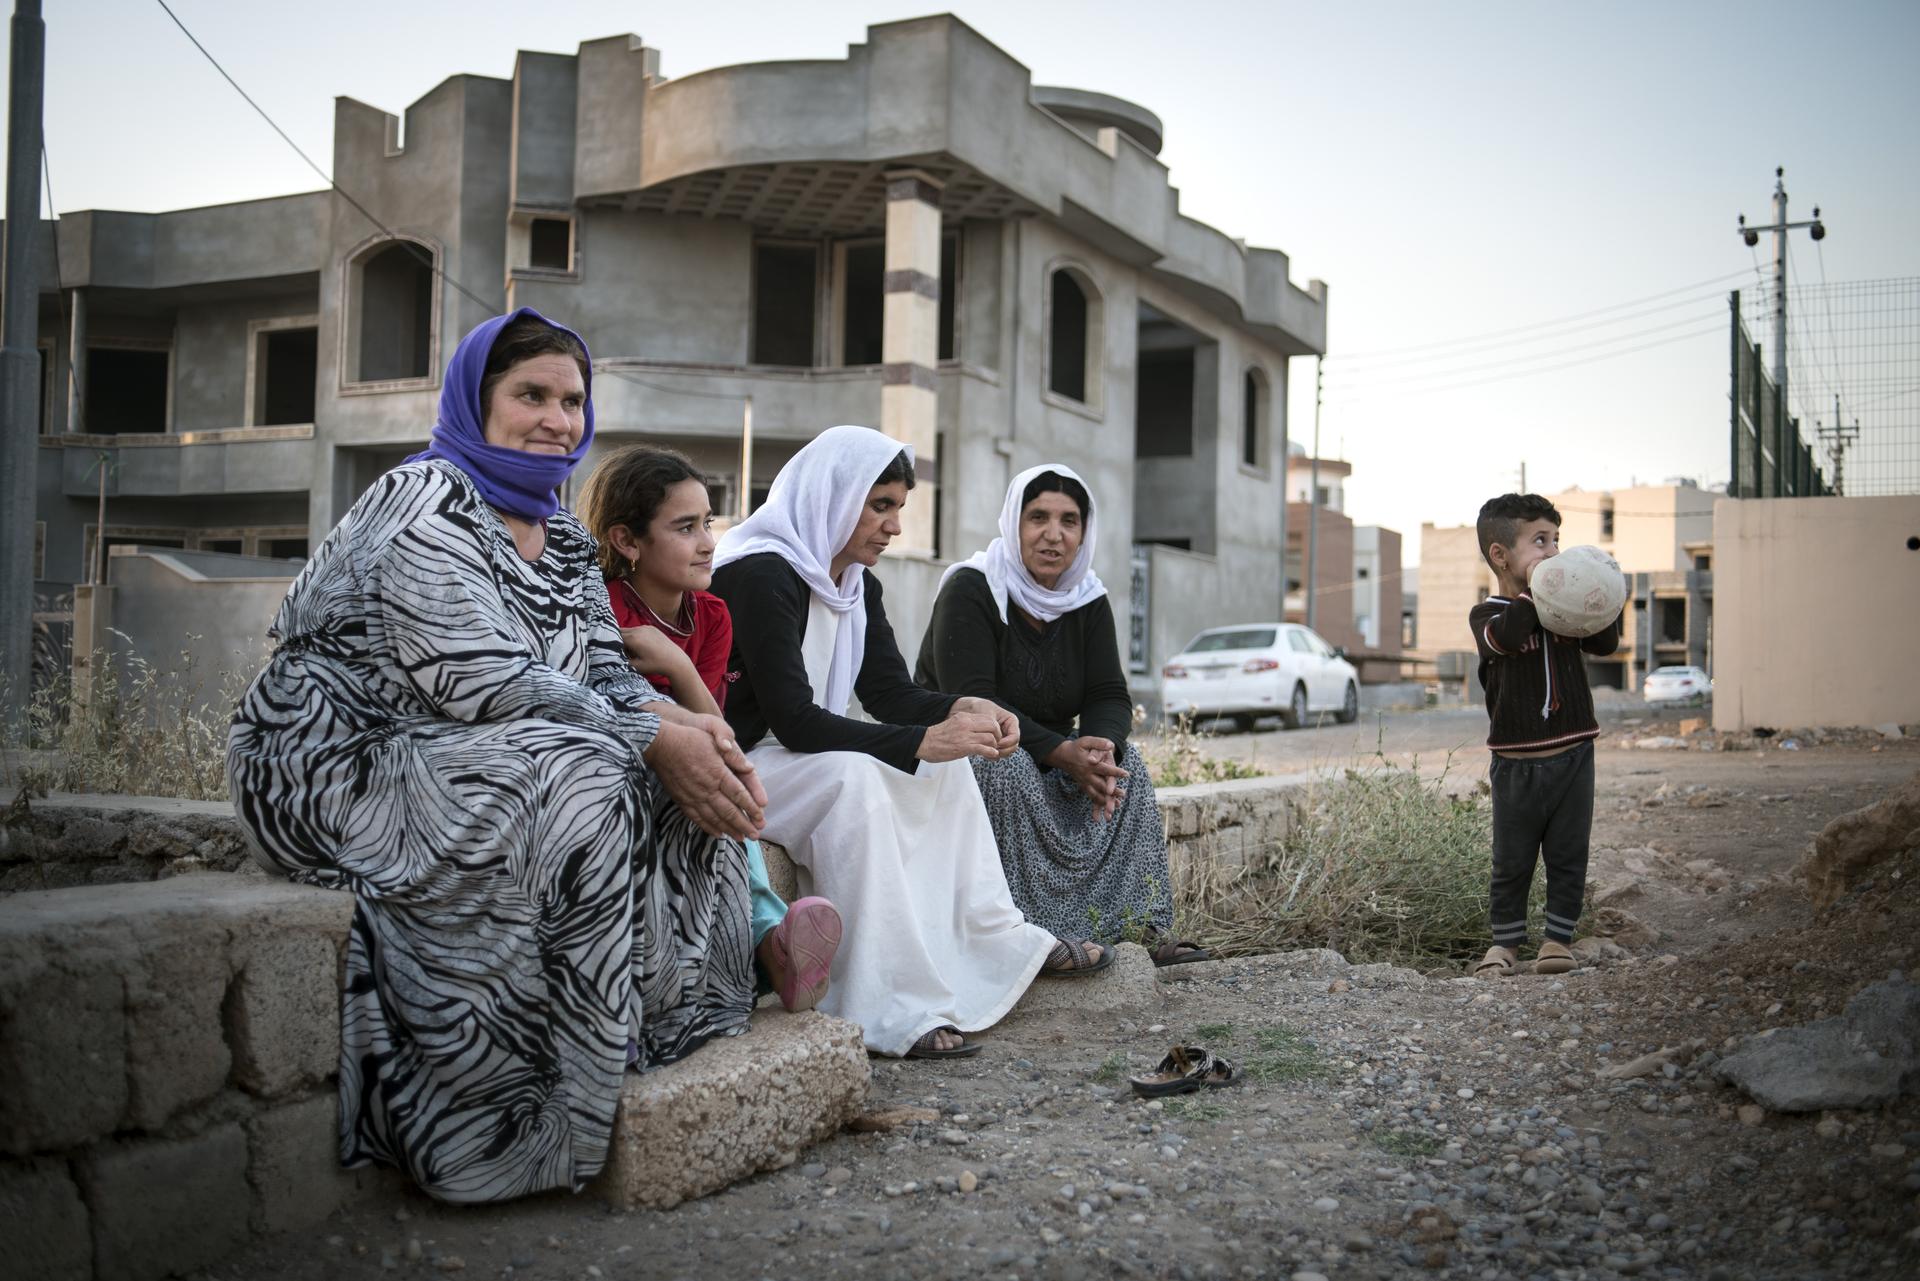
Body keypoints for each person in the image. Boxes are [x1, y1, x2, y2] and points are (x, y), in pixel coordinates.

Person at [227, 309, 763, 1203]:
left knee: (687, 762)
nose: (558, 419)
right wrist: (648, 730)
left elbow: (600, 668)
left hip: (473, 743)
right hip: (338, 759)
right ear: (478, 401)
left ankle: (644, 1030)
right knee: (592, 770)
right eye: (531, 395)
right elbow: (472, 675)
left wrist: (687, 729)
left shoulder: (557, 536)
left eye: (573, 400)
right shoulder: (424, 496)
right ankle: (512, 1128)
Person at [710, 426, 1112, 1060]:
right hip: (737, 759)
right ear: (833, 497)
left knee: (949, 770)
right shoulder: (762, 574)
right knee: (859, 779)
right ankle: (885, 1002)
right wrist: (925, 738)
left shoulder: (852, 582)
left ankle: (996, 944)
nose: (894, 525)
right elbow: (793, 719)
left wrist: (965, 711)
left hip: (790, 754)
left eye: (898, 506)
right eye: (880, 505)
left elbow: (890, 693)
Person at [577, 444, 841, 1013]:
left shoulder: (712, 613)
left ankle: (770, 949)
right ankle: (771, 943)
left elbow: (713, 723)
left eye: (708, 524)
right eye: (685, 527)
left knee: (720, 777)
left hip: (702, 751)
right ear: (627, 541)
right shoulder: (606, 609)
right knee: (715, 786)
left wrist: (674, 664)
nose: (707, 543)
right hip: (629, 757)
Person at [915, 464, 1206, 966]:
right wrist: (1063, 753)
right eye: (1038, 518)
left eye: (1070, 521)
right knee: (1002, 763)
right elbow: (974, 699)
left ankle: (1137, 928)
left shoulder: (1086, 599)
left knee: (1127, 766)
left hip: (1048, 754)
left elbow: (1110, 692)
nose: (1054, 535)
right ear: (1014, 523)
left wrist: (1099, 747)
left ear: (1084, 532)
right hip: (960, 754)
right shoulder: (972, 588)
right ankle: (1027, 937)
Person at [1467, 493, 1623, 979]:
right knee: (1511, 859)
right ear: (1500, 555)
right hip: (1516, 763)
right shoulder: (1488, 614)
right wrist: (1540, 591)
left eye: (1557, 540)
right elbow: (1508, 637)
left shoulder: (1565, 613)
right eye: (1540, 541)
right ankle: (1506, 944)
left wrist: (1599, 593)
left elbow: (1605, 641)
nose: (1553, 551)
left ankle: (1558, 940)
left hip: (1574, 754)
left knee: (1568, 852)